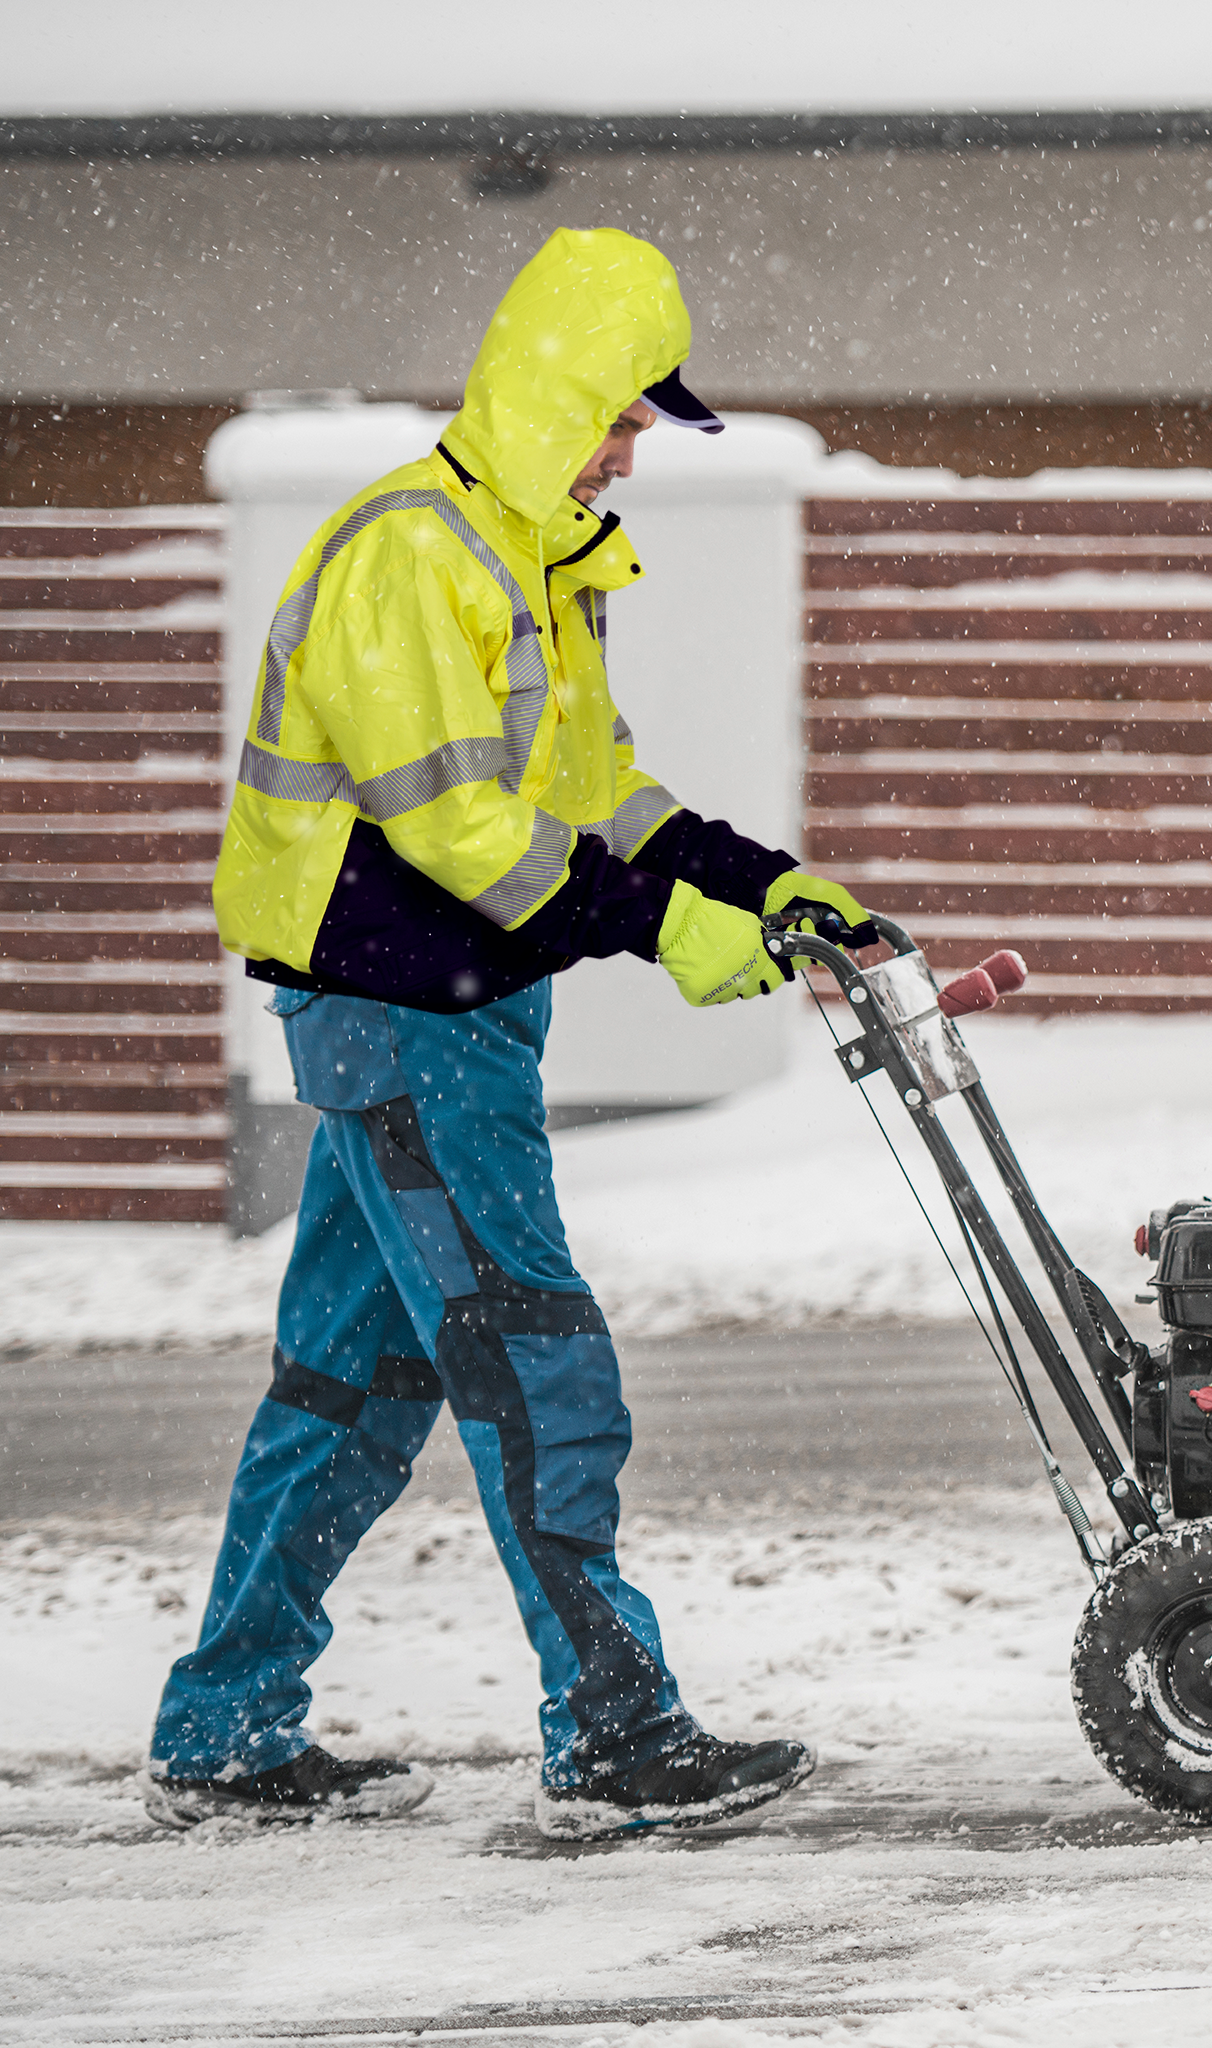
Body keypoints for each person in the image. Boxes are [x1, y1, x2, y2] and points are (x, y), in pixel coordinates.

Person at [146, 228, 874, 1841]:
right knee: (536, 1358)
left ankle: (223, 1724)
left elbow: (600, 795)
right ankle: (617, 1731)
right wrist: (662, 927)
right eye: (619, 415)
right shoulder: (416, 555)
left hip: (440, 1017)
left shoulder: (535, 565)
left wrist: (767, 888)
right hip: (407, 1012)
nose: (628, 449)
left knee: (348, 1385)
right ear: (552, 394)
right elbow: (458, 834)